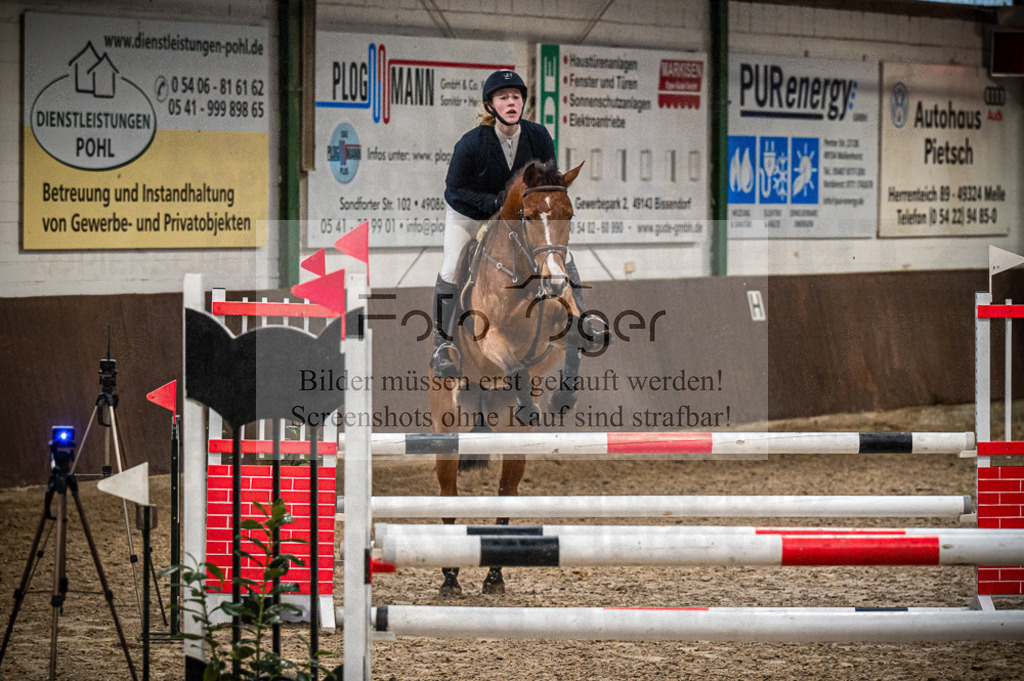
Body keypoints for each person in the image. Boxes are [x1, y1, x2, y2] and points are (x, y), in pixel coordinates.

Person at [431, 69, 606, 378]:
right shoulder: (471, 144)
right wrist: (493, 204)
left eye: (516, 97)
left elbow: (549, 183)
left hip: (520, 215)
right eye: (503, 98)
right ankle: (442, 345)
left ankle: (583, 319)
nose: (511, 103)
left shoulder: (539, 136)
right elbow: (454, 191)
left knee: (558, 254)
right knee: (450, 265)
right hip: (471, 211)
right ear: (490, 106)